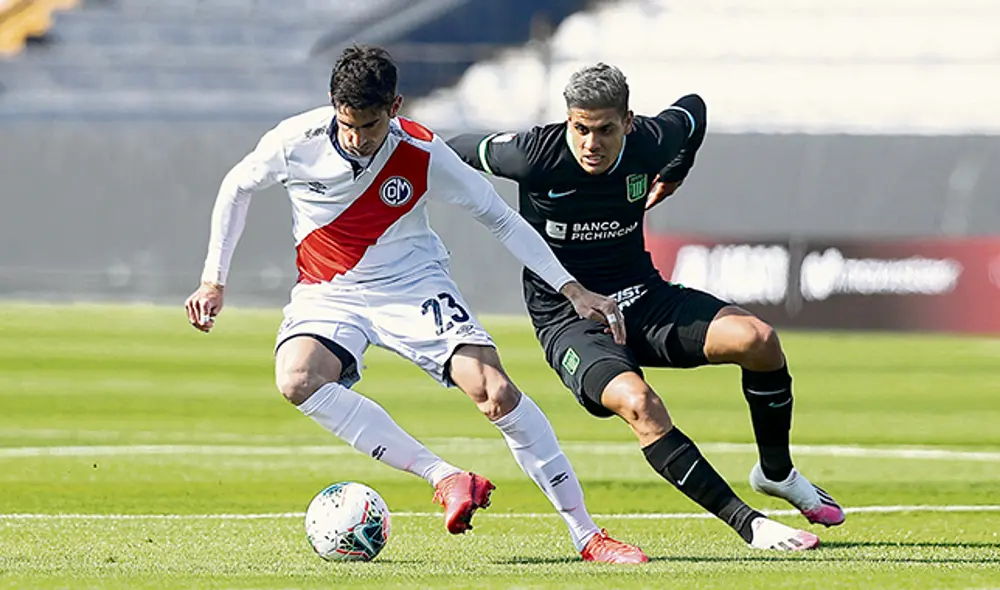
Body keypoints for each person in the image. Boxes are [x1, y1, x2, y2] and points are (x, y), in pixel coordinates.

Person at [184, 46, 647, 564]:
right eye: (348, 125)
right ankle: (445, 476)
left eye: (370, 125)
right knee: (296, 379)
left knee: (494, 392)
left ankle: (587, 535)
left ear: (395, 107)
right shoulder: (295, 141)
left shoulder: (423, 152)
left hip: (413, 285)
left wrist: (571, 288)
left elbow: (500, 217)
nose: (357, 139)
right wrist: (212, 281)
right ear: (333, 107)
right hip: (330, 290)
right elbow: (236, 187)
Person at [447, 63, 845, 551]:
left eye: (605, 130)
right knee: (640, 404)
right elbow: (452, 149)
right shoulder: (534, 155)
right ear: (568, 121)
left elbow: (694, 112)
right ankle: (751, 525)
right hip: (571, 320)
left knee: (758, 341)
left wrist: (675, 171)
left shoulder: (650, 141)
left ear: (628, 122)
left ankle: (777, 473)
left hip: (643, 297)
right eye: (581, 129)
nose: (592, 143)